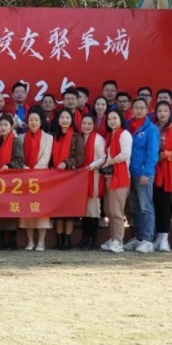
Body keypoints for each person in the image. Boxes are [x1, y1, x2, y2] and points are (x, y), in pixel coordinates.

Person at [124, 98, 160, 253]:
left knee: (145, 206)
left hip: (143, 173)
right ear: (132, 109)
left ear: (147, 110)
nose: (139, 110)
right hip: (129, 172)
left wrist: (147, 172)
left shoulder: (151, 129)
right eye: (136, 108)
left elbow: (153, 153)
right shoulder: (127, 125)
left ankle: (147, 239)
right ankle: (138, 237)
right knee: (134, 207)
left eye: (142, 108)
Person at [152, 101, 172, 252]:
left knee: (165, 206)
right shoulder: (152, 128)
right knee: (155, 205)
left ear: (169, 113)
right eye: (160, 111)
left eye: (165, 111)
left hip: (168, 173)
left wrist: (165, 155)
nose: (162, 114)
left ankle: (165, 238)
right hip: (152, 171)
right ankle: (158, 236)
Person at [50, 108, 85, 250]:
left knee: (69, 210)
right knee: (58, 210)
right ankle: (59, 239)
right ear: (58, 120)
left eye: (67, 118)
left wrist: (67, 163)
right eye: (62, 117)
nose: (64, 120)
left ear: (72, 120)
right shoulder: (53, 136)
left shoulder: (77, 137)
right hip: (55, 178)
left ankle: (67, 240)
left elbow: (80, 157)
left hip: (71, 177)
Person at [19, 110, 53, 251]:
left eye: (36, 120)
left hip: (42, 178)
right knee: (27, 210)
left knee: (42, 211)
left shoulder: (48, 138)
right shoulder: (21, 138)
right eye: (31, 120)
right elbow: (18, 156)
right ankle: (30, 241)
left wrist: (35, 171)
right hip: (25, 178)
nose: (33, 123)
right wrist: (25, 168)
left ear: (41, 122)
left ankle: (41, 241)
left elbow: (45, 158)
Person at [100, 109, 132, 253]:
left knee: (117, 210)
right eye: (109, 119)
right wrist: (94, 164)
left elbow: (125, 154)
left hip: (121, 176)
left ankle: (119, 241)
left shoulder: (124, 134)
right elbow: (105, 156)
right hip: (109, 177)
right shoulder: (110, 136)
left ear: (121, 119)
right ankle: (113, 238)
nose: (112, 121)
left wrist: (110, 162)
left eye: (115, 118)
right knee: (109, 210)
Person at [0, 114, 23, 250]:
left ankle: (12, 240)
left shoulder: (16, 141)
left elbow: (19, 160)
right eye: (1, 125)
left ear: (11, 127)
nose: (3, 128)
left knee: (10, 210)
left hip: (11, 181)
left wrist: (9, 165)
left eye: (6, 125)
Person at [78, 114, 106, 250]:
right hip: (80, 177)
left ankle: (91, 239)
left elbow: (103, 157)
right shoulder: (79, 138)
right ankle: (84, 238)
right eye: (84, 123)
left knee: (93, 208)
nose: (86, 126)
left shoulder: (98, 139)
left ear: (94, 125)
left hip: (93, 175)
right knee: (84, 209)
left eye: (89, 124)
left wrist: (93, 164)